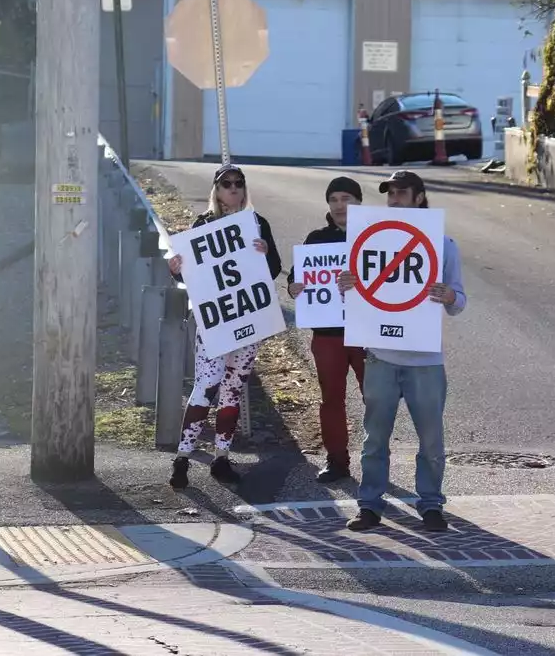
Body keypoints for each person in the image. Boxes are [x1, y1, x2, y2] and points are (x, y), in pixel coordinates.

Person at [338, 170, 466, 533]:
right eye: (390, 194)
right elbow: (356, 298)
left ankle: (430, 505)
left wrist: (449, 295)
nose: (394, 200)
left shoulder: (444, 245)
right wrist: (346, 285)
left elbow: (459, 302)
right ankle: (369, 505)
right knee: (374, 438)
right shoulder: (366, 241)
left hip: (425, 361)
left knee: (430, 441)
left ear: (419, 197)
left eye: (401, 193)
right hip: (380, 356)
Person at [166, 163, 281, 489]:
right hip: (214, 323)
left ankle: (221, 458)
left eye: (238, 184)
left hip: (247, 320)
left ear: (245, 189)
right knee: (206, 384)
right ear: (216, 190)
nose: (233, 189)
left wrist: (266, 252)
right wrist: (174, 268)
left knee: (232, 390)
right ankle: (182, 458)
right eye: (226, 184)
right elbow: (188, 273)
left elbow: (273, 271)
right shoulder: (203, 225)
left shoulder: (257, 224)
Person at [286, 176, 367, 483]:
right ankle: (337, 461)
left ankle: (377, 459)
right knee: (331, 399)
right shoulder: (317, 238)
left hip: (366, 332)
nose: (339, 205)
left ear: (359, 202)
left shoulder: (375, 236)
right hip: (328, 335)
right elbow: (298, 276)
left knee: (375, 398)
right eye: (333, 199)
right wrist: (294, 287)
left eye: (346, 198)